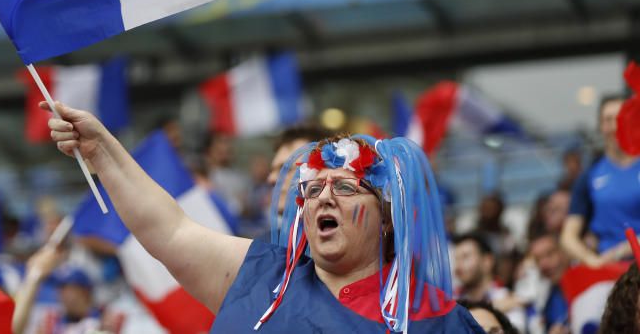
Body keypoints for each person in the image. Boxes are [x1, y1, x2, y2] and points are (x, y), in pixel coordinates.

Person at [46, 101, 482, 332]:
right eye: (311, 190)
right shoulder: (263, 276)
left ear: (387, 217)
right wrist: (101, 151)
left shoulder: (435, 320)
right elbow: (170, 229)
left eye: (345, 188)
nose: (321, 199)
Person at [562, 95, 640, 267]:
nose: (615, 125)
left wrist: (621, 251)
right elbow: (568, 236)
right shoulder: (590, 176)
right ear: (600, 126)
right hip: (609, 271)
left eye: (621, 118)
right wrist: (591, 260)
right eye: (608, 119)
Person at [453, 231, 527, 332]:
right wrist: (496, 307)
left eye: (465, 257)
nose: (458, 266)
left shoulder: (506, 296)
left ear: (487, 261)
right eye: (456, 259)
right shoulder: (453, 299)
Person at [527, 231, 570, 334]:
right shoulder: (545, 298)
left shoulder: (589, 285)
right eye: (538, 259)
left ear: (564, 252)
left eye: (549, 254)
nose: (544, 264)